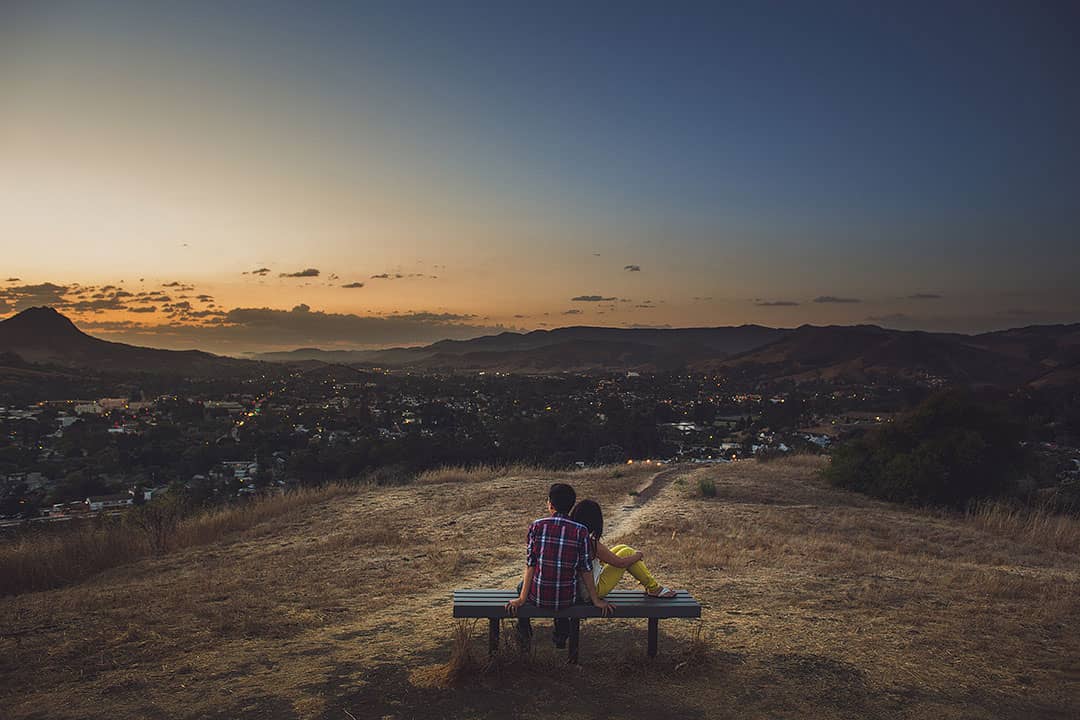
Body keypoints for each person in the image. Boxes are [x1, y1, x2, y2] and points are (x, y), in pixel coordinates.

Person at [505, 483, 613, 649]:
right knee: (565, 580)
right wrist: (596, 600)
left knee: (521, 586)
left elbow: (531, 565)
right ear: (571, 506)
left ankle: (524, 630)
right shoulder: (581, 531)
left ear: (550, 504)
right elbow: (585, 568)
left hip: (539, 598)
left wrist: (521, 599)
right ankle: (561, 633)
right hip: (567, 599)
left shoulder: (536, 526)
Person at [569, 499, 677, 599]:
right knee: (627, 552)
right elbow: (620, 563)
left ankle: (652, 586)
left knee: (621, 547)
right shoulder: (591, 543)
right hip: (593, 591)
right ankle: (654, 588)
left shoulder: (572, 537)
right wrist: (638, 555)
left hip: (580, 588)